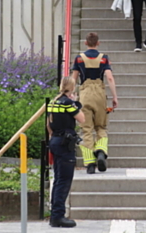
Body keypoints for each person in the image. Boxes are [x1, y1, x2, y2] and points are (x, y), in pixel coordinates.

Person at [70, 32, 119, 174]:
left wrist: (72, 95)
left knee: (86, 129)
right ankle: (101, 151)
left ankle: (90, 163)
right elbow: (109, 77)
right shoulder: (104, 58)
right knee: (101, 127)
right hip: (99, 94)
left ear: (85, 43)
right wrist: (114, 97)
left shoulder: (79, 59)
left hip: (85, 93)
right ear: (98, 43)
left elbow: (73, 78)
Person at [47, 75, 85, 228]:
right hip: (65, 144)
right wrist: (75, 102)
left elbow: (49, 123)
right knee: (64, 181)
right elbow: (82, 119)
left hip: (55, 140)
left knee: (57, 179)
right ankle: (58, 216)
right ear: (72, 87)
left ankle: (54, 215)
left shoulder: (53, 102)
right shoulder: (68, 103)